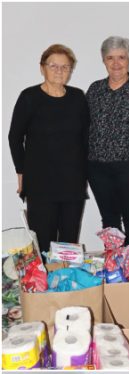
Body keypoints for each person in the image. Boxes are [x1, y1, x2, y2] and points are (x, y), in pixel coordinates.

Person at [8, 44, 89, 254]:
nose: (59, 71)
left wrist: (87, 173)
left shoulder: (78, 97)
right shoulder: (29, 97)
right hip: (40, 183)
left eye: (65, 67)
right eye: (53, 66)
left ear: (70, 70)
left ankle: (68, 275)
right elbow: (15, 137)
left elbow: (86, 139)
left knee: (69, 244)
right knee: (43, 242)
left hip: (72, 183)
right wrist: (21, 172)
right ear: (42, 68)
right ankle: (45, 276)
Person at [86, 36, 129, 246]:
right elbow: (86, 128)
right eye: (110, 58)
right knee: (109, 220)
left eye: (121, 57)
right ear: (103, 60)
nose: (116, 63)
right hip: (97, 168)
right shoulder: (94, 90)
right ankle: (113, 262)